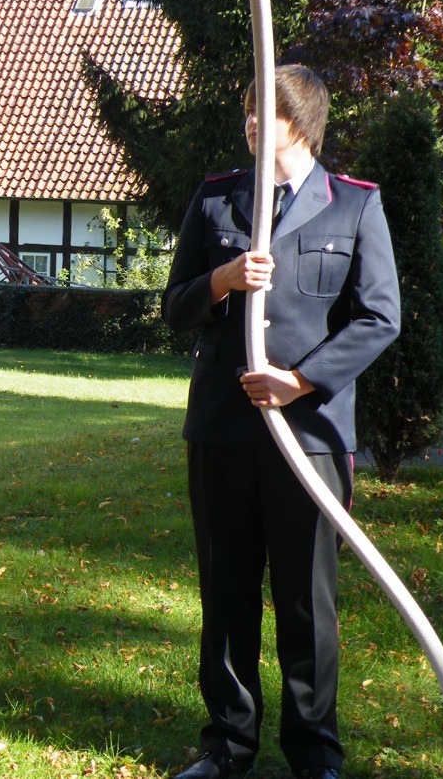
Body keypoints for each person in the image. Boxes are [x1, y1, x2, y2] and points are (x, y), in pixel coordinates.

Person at [161, 65, 400, 779]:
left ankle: (314, 753)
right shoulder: (215, 201)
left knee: (305, 602)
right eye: (247, 113)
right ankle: (227, 746)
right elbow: (174, 307)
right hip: (224, 434)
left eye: (265, 115)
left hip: (310, 439)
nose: (251, 126)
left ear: (302, 125)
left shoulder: (352, 206)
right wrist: (221, 281)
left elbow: (379, 317)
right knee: (227, 593)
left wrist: (300, 381)